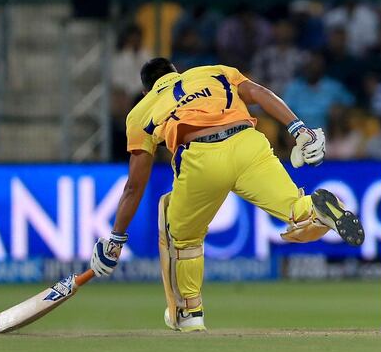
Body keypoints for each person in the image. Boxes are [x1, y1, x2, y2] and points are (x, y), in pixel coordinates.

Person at [89, 58, 365, 332]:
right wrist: (298, 129)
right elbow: (259, 93)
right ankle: (317, 208)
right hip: (248, 142)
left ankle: (189, 312)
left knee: (182, 237)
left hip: (201, 156)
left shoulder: (140, 112)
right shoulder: (213, 72)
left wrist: (116, 238)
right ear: (178, 73)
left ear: (146, 91)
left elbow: (134, 186)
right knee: (296, 210)